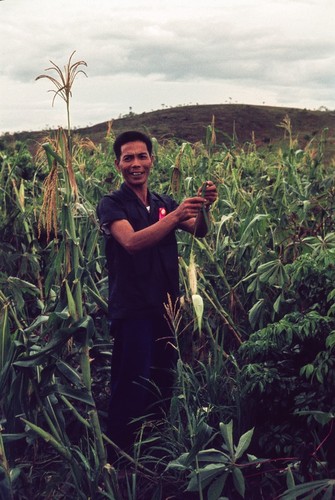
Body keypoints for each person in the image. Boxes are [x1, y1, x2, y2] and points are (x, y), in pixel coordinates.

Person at [97, 130, 218, 458]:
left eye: (141, 156)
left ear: (151, 160)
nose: (136, 164)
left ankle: (155, 448)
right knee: (131, 382)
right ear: (118, 164)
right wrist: (179, 215)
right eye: (128, 158)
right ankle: (119, 457)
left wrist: (205, 207)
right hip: (133, 309)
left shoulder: (163, 203)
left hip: (166, 308)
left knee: (163, 379)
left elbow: (200, 231)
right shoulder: (112, 204)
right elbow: (132, 243)